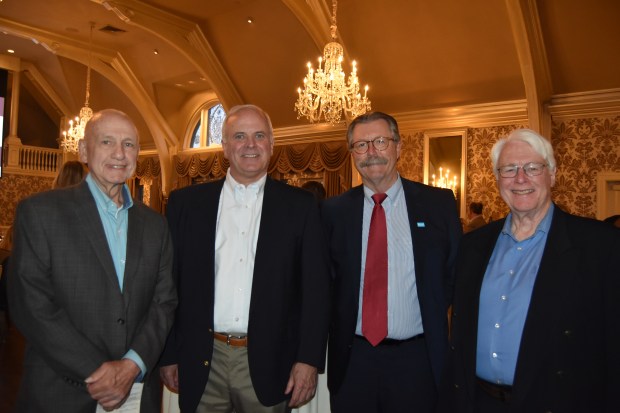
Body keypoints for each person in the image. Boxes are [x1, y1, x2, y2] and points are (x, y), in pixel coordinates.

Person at [159, 104, 330, 413]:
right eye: (239, 136)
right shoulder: (186, 204)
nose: (250, 145)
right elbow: (168, 285)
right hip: (201, 360)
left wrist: (308, 359)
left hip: (270, 360)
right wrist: (168, 353)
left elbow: (316, 290)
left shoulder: (300, 207)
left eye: (259, 135)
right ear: (224, 146)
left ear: (272, 145)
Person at [7, 109, 177, 412]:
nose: (119, 153)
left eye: (128, 144)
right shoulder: (41, 213)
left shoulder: (156, 225)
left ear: (138, 153)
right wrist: (100, 372)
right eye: (107, 142)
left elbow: (163, 303)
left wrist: (131, 366)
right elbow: (31, 305)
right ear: (84, 150)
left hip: (136, 392)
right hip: (61, 392)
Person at [439, 128, 620, 412]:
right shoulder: (473, 246)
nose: (520, 178)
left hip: (556, 402)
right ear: (497, 178)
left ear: (553, 174)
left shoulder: (600, 246)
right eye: (509, 169)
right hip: (477, 402)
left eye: (533, 168)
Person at [321, 111, 462, 413]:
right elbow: (325, 282)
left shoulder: (438, 205)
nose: (371, 152)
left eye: (380, 142)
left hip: (416, 361)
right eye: (361, 145)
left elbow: (453, 275)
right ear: (352, 154)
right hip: (352, 360)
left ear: (399, 147)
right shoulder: (332, 213)